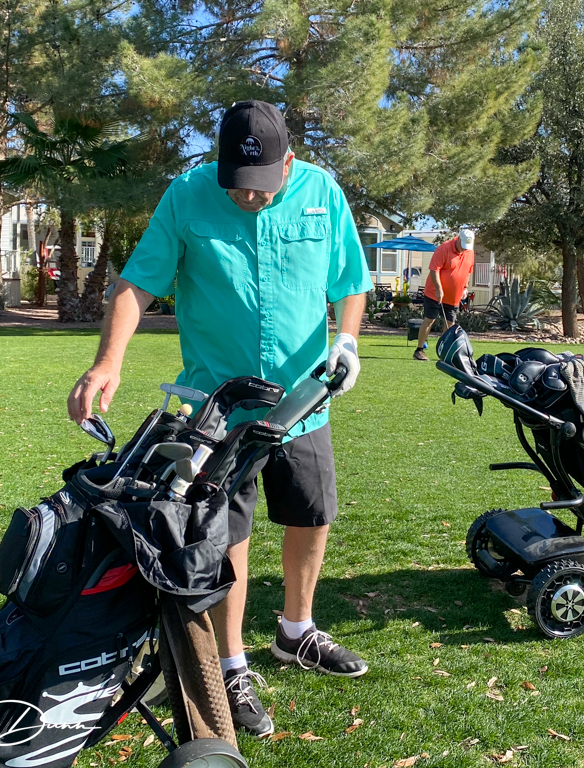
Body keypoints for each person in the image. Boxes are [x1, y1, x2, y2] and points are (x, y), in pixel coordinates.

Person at [67, 100, 372, 740]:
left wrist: (346, 341)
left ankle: (296, 630)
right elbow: (137, 283)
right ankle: (230, 667)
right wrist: (107, 362)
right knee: (224, 535)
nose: (248, 198)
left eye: (261, 186)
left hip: (304, 400)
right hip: (217, 408)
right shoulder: (186, 195)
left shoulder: (322, 193)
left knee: (311, 514)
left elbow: (350, 279)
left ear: (289, 163)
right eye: (236, 184)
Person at [413, 228, 475, 361]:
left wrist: (465, 287)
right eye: (463, 245)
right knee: (430, 320)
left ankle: (445, 353)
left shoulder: (469, 251)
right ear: (458, 239)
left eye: (467, 247)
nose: (464, 249)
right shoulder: (443, 249)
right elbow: (434, 270)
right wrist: (438, 289)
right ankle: (419, 350)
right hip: (434, 293)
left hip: (454, 296)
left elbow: (468, 271)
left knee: (450, 324)